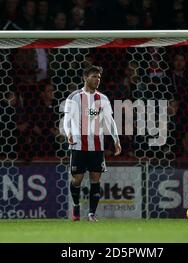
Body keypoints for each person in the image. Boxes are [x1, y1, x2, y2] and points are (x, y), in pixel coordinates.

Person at [63, 65, 121, 222]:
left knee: (96, 179)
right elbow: (66, 120)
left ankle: (91, 214)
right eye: (94, 76)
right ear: (85, 78)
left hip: (96, 146)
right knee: (77, 179)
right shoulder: (73, 97)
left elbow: (110, 121)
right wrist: (68, 133)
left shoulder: (102, 99)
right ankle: (76, 205)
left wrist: (116, 139)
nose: (97, 80)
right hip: (78, 146)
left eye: (99, 77)